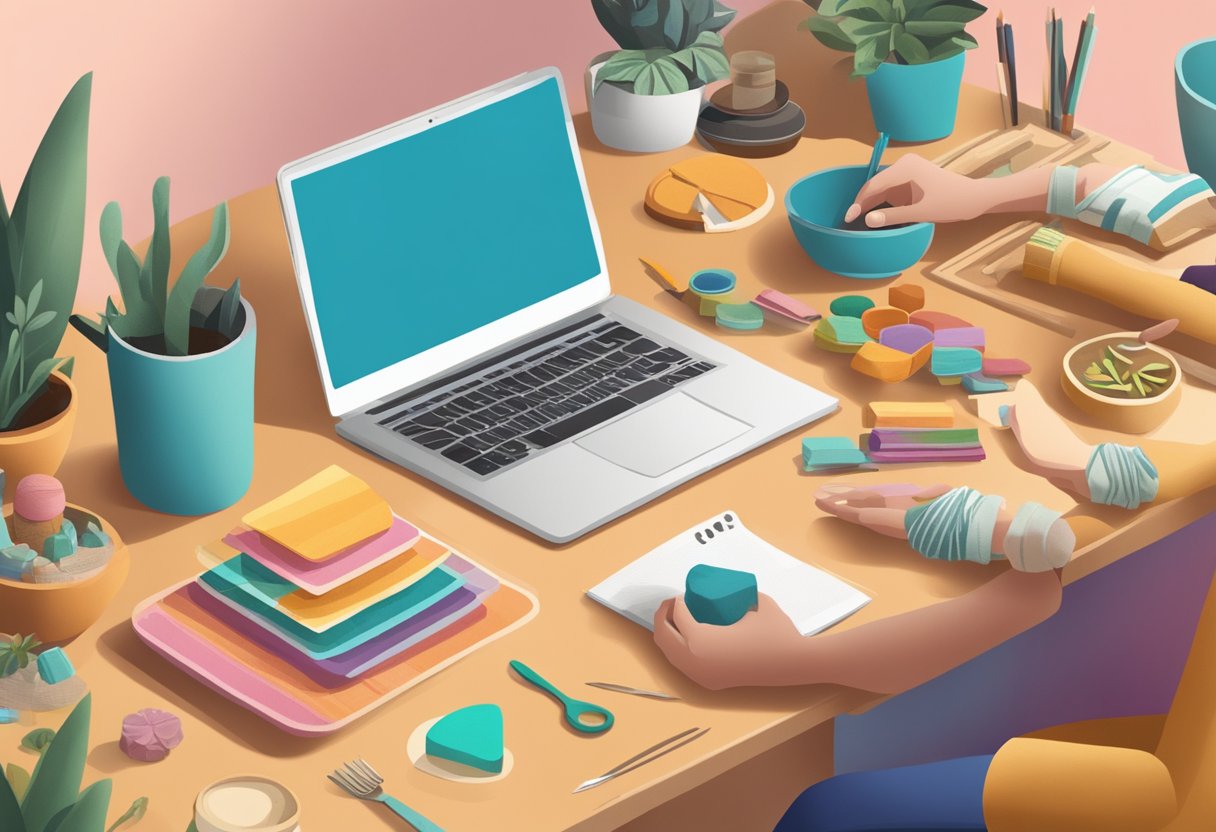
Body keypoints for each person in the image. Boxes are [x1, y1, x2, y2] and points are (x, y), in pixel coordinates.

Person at [652, 379, 1216, 830]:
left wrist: (787, 660)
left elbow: (1175, 797)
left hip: (1173, 788)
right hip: (1171, 736)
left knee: (834, 814)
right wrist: (1023, 515)